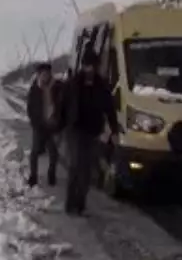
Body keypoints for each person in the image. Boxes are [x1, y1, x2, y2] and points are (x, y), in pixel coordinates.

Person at [55, 50, 121, 216]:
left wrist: (114, 129)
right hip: (75, 130)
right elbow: (62, 106)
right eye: (87, 65)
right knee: (75, 166)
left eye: (93, 66)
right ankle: (70, 204)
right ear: (83, 65)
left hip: (92, 131)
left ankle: (80, 204)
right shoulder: (73, 83)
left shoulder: (102, 85)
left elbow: (110, 109)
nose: (90, 69)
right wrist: (58, 128)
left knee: (87, 170)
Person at [25, 61, 63, 186]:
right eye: (42, 74)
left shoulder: (58, 86)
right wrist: (34, 122)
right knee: (34, 152)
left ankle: (51, 175)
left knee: (54, 153)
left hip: (53, 125)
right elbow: (30, 108)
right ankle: (33, 176)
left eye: (47, 74)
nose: (45, 76)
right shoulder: (34, 88)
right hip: (39, 126)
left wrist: (59, 121)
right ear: (38, 74)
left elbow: (64, 104)